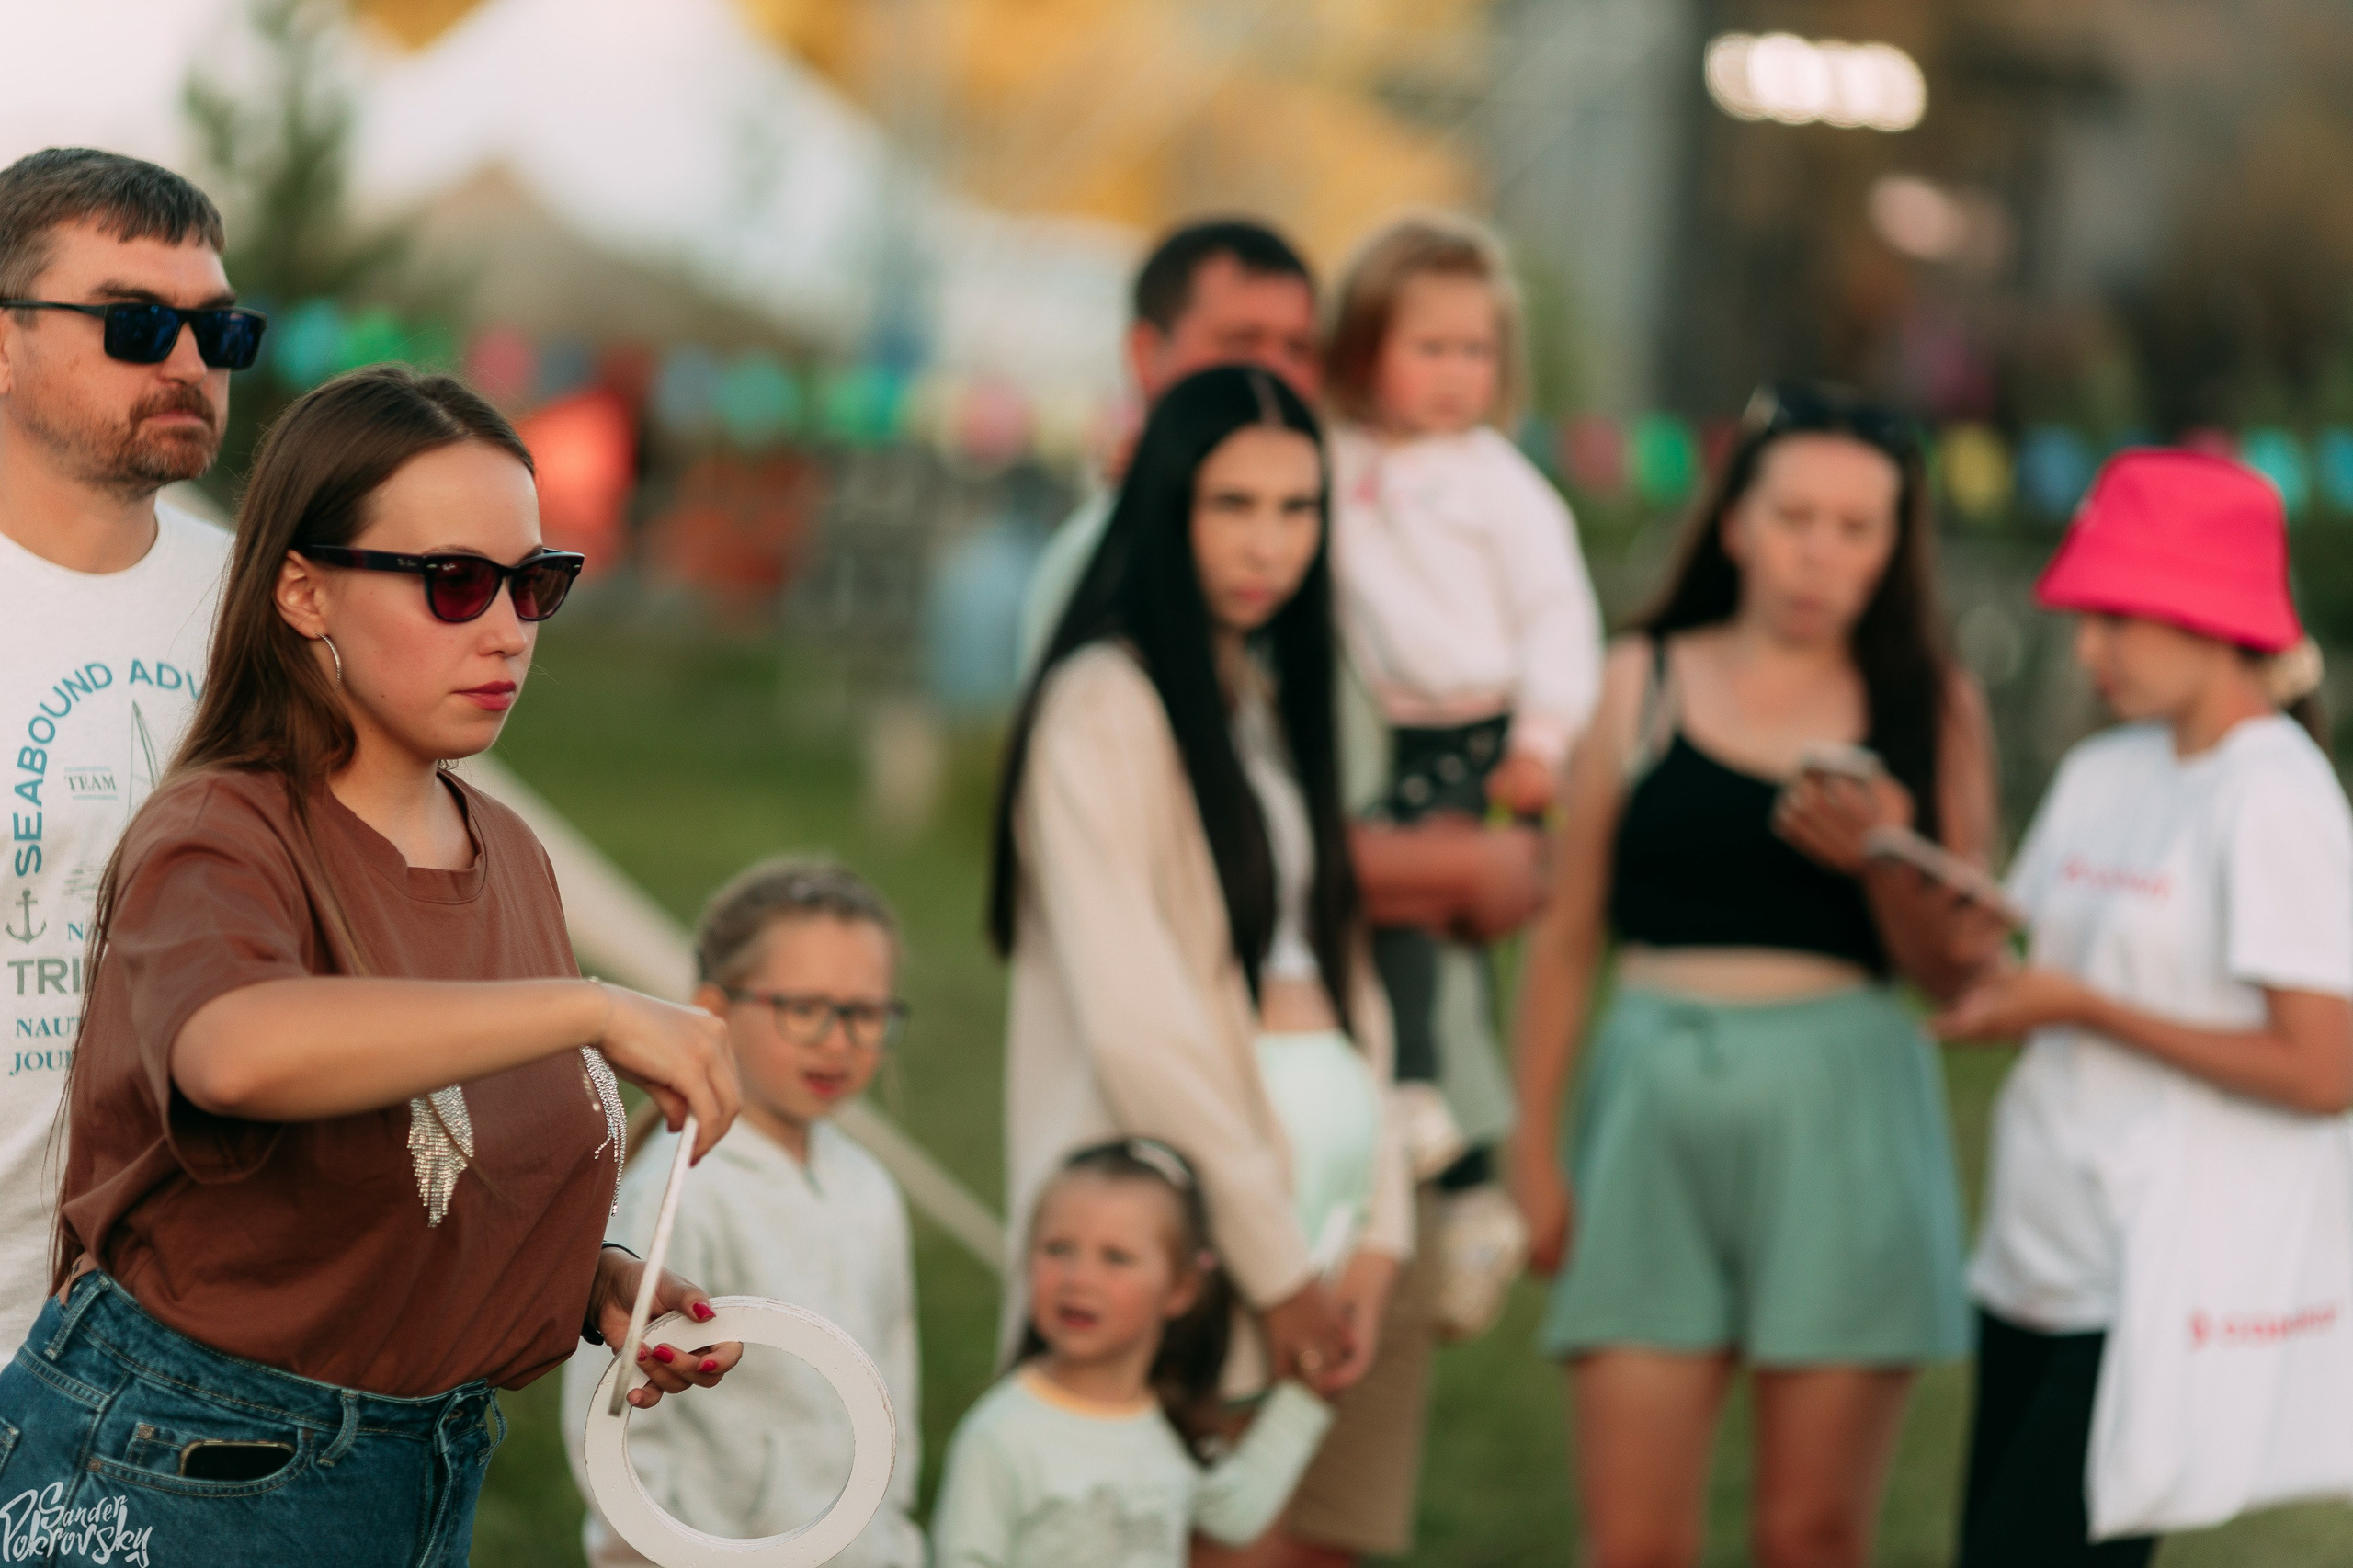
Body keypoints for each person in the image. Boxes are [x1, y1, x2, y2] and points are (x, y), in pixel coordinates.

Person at [0, 364, 743, 1564]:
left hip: (416, 1472)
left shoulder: (507, 851)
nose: (507, 627)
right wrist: (587, 1008)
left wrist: (591, 1281)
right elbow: (237, 1050)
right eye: (455, 581)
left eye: (535, 583)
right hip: (187, 1470)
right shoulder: (221, 831)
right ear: (302, 589)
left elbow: (425, 1160)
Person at [1511, 382, 2000, 1568]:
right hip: (1648, 1102)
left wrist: (1884, 860)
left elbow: (1961, 979)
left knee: (1811, 1537)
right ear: (1734, 519)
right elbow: (1567, 932)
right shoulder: (1638, 677)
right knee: (1629, 1542)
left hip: (1847, 1114)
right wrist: (1531, 1150)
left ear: (1895, 545)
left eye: (1857, 526)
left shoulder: (1930, 702)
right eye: (1794, 516)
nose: (1820, 553)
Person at [989, 364, 1422, 1565]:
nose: (1267, 543)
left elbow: (1349, 981)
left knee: (1256, 1531)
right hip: (1186, 1201)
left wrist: (1377, 1227)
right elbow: (1139, 1021)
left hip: (1306, 1187)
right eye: (1233, 503)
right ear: (1167, 505)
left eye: (1297, 508)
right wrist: (1278, 1260)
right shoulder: (1104, 705)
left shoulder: (1267, 708)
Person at [1938, 449, 2353, 1566]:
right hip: (2028, 1253)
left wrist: (2087, 1003)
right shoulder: (2103, 770)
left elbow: (2323, 1072)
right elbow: (2015, 963)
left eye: (2113, 616)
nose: (2086, 648)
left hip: (2146, 1286)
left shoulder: (2275, 797)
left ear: (2209, 611)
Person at [1321, 212, 1604, 1338]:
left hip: (1481, 728)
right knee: (1407, 918)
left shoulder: (1499, 485)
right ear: (1363, 348)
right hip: (1387, 725)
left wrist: (1542, 738)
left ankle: (1436, 1115)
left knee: (1417, 905)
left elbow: (1557, 618)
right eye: (1426, 346)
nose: (1454, 374)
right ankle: (1460, 1168)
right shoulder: (1336, 459)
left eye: (1473, 351)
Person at [0, 147, 246, 1357]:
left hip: (195, 1360)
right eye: (135, 322)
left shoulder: (269, 605)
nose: (189, 364)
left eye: (218, 329)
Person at [563, 858, 923, 1567]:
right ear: (715, 1010)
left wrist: (894, 1539)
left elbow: (893, 1391)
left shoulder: (870, 1186)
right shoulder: (680, 1190)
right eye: (804, 1007)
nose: (838, 1039)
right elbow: (607, 1424)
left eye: (865, 1012)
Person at [931, 1140, 1335, 1568]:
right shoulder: (1000, 1436)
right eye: (1058, 1249)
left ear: (1181, 1289)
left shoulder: (1175, 1426)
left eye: (1116, 1257)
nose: (1079, 1278)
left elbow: (1237, 1513)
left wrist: (1308, 1397)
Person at [1016, 219, 1323, 677]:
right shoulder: (1092, 567)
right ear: (1147, 356)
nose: (1272, 376)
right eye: (1241, 342)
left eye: (1297, 349)